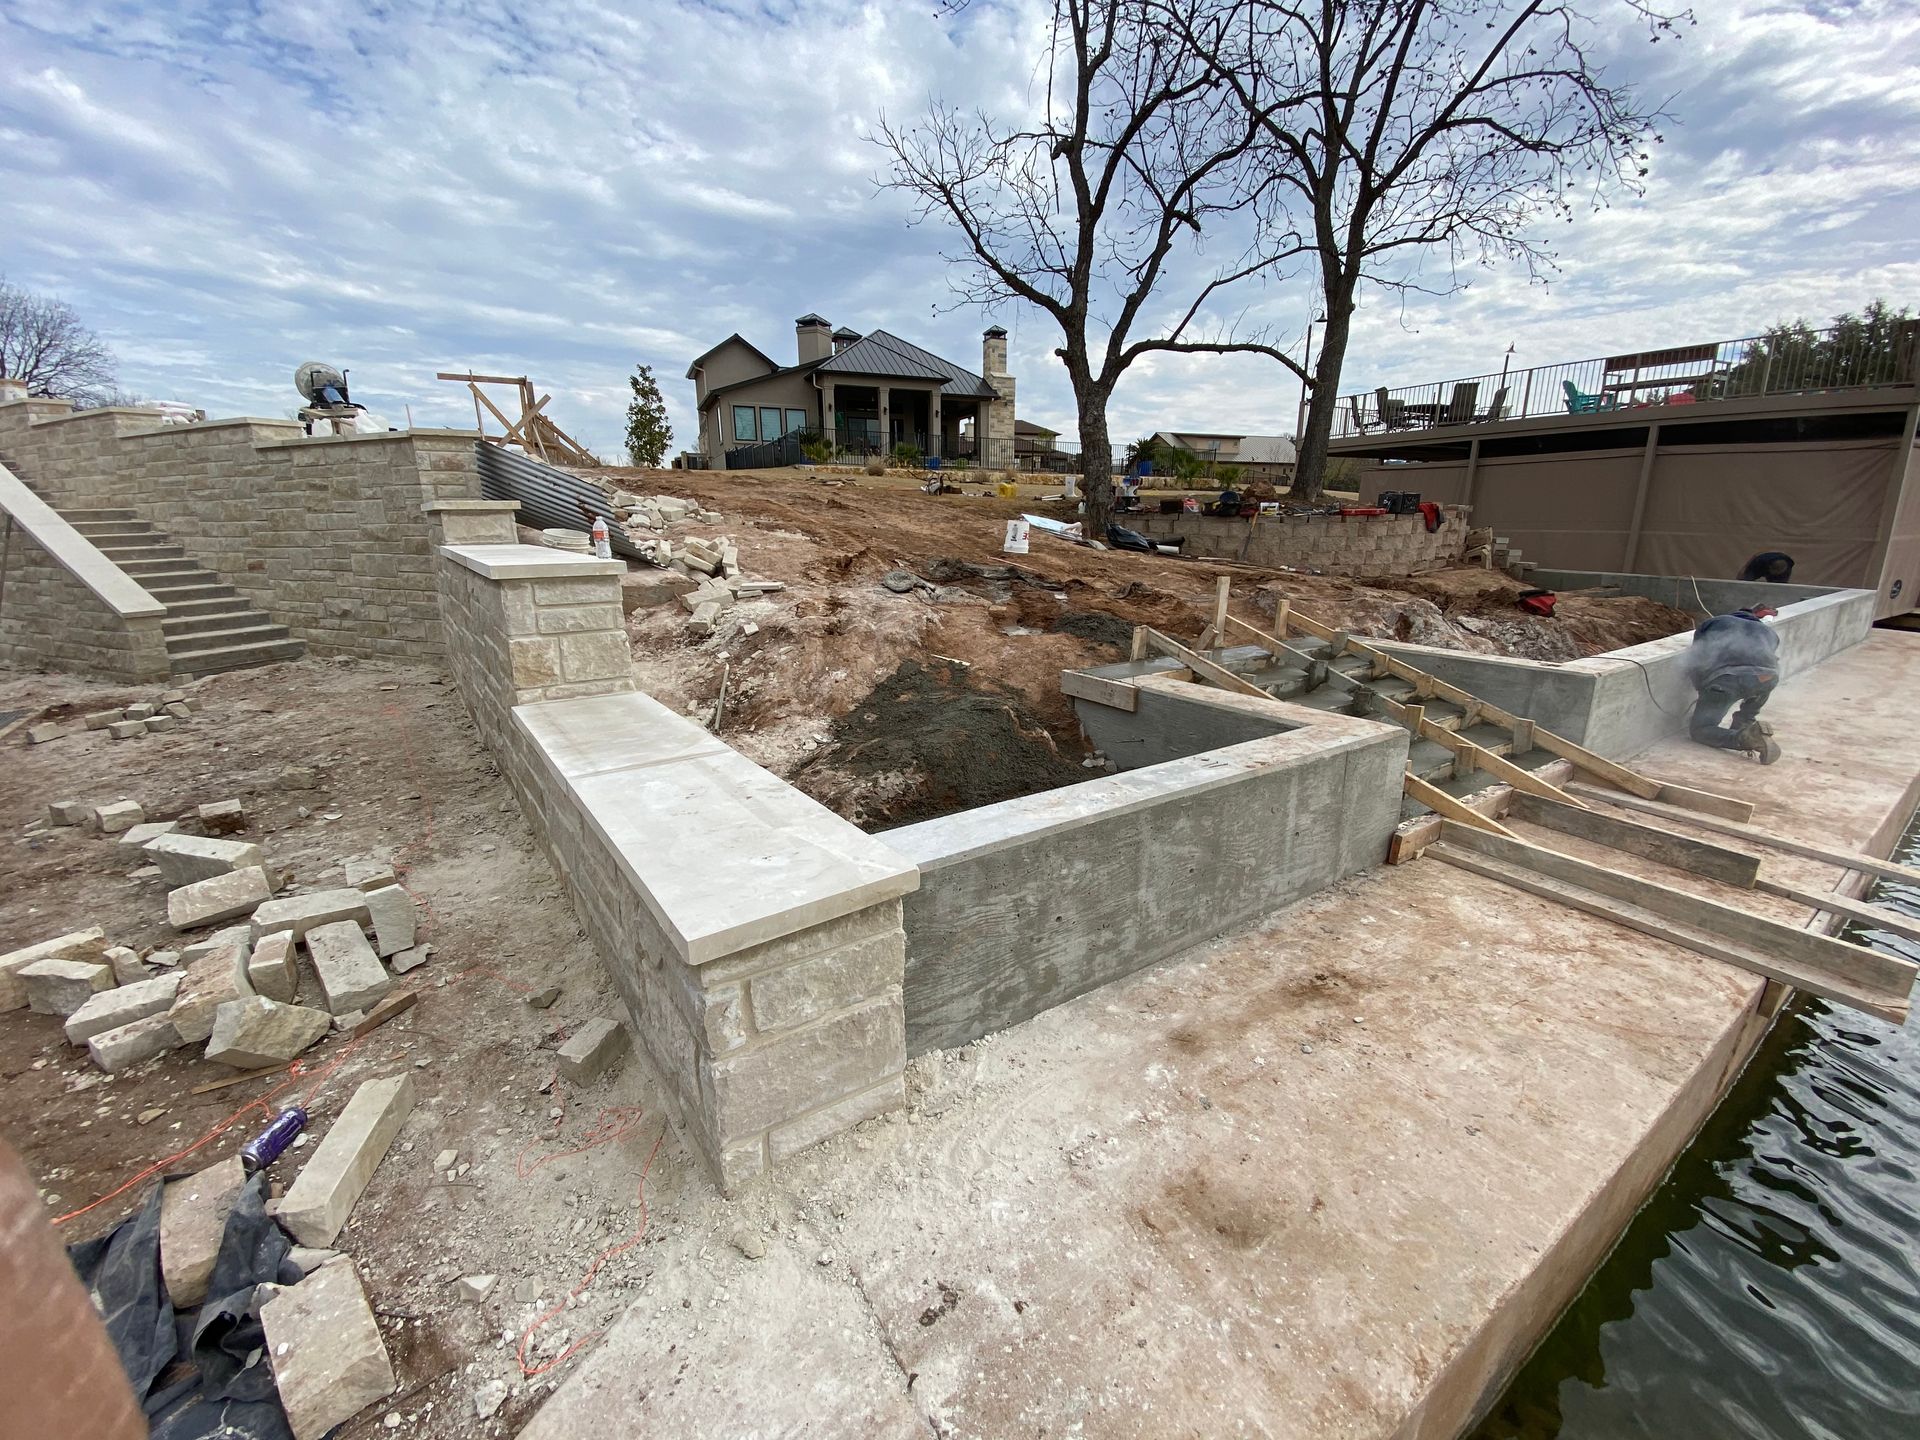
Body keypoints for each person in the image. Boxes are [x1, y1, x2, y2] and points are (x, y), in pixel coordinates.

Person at [1684, 605, 1782, 763]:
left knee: (1700, 730)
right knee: (1749, 710)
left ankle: (1746, 739)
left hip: (1728, 679)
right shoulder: (1769, 632)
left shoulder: (1715, 622)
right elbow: (1765, 659)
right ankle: (1746, 727)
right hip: (1768, 678)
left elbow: (1698, 656)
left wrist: (1705, 690)